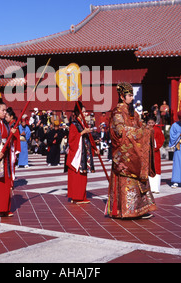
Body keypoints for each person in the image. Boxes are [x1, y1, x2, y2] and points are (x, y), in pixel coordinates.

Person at [104, 82, 156, 219]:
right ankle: (126, 210)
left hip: (135, 152)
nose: (132, 98)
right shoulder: (117, 112)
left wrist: (146, 131)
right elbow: (119, 132)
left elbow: (141, 126)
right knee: (127, 180)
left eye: (132, 95)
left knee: (139, 178)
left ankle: (141, 209)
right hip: (123, 154)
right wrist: (139, 133)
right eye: (129, 95)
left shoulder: (134, 113)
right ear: (122, 96)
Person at [66, 101, 98, 204]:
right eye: (83, 112)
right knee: (77, 176)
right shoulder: (74, 125)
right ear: (79, 113)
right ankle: (76, 197)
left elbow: (89, 138)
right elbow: (71, 140)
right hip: (78, 155)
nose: (85, 114)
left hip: (84, 153)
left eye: (85, 112)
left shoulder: (83, 124)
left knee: (83, 176)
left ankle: (81, 196)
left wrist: (94, 147)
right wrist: (82, 133)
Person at [146, 115, 165, 193]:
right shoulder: (144, 130)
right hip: (147, 153)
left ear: (155, 122)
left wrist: (155, 148)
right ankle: (148, 188)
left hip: (155, 153)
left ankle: (155, 188)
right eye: (149, 122)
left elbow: (161, 140)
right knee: (147, 168)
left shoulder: (157, 130)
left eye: (152, 122)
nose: (150, 124)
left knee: (156, 168)